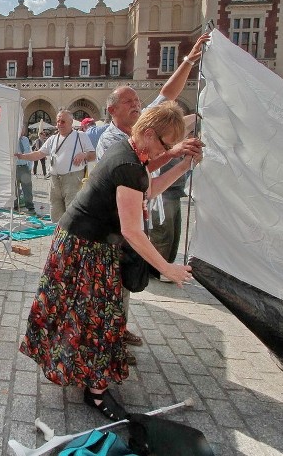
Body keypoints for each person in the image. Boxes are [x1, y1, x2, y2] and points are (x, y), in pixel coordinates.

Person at [19, 102, 198, 421]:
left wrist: (178, 162)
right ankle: (96, 392)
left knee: (91, 315)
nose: (167, 149)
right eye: (165, 143)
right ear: (147, 133)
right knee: (95, 317)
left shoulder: (130, 151)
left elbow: (148, 188)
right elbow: (132, 229)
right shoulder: (128, 164)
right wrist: (167, 268)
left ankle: (85, 376)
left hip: (86, 244)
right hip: (86, 247)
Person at [95, 32, 209, 360]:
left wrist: (188, 61)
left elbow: (166, 95)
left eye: (137, 102)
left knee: (127, 280)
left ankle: (118, 328)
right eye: (130, 102)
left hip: (138, 212)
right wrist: (168, 268)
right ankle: (111, 339)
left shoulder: (145, 126)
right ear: (112, 110)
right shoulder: (112, 142)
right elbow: (140, 180)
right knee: (114, 283)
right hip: (114, 225)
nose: (138, 105)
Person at [15, 109, 95, 222]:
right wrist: (21, 156)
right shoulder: (53, 139)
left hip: (72, 179)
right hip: (54, 180)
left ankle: (71, 237)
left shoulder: (80, 136)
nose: (59, 124)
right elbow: (38, 154)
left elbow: (93, 155)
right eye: (58, 121)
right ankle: (57, 235)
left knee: (72, 212)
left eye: (63, 121)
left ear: (71, 122)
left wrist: (84, 155)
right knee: (55, 210)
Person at [148, 159, 189, 278]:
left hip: (175, 189)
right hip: (162, 191)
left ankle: (166, 267)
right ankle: (156, 271)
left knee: (173, 235)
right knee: (163, 233)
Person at [16, 126, 37, 215]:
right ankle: (15, 206)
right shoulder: (12, 140)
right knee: (14, 189)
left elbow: (29, 152)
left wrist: (29, 166)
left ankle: (30, 206)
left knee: (27, 188)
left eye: (22, 128)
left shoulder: (25, 139)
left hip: (25, 167)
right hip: (15, 167)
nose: (22, 131)